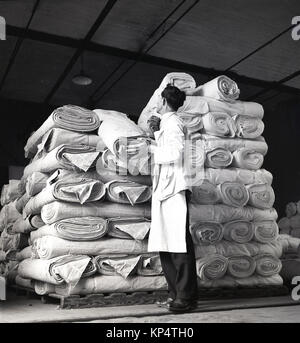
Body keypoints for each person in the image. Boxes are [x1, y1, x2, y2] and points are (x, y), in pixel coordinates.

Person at [147, 84, 198, 313]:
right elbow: (169, 145)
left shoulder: (174, 122)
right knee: (165, 243)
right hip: (165, 189)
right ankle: (175, 294)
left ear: (165, 101)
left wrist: (151, 150)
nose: (157, 103)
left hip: (174, 189)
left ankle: (185, 298)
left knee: (177, 242)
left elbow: (176, 152)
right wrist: (156, 135)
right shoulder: (167, 123)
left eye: (159, 100)